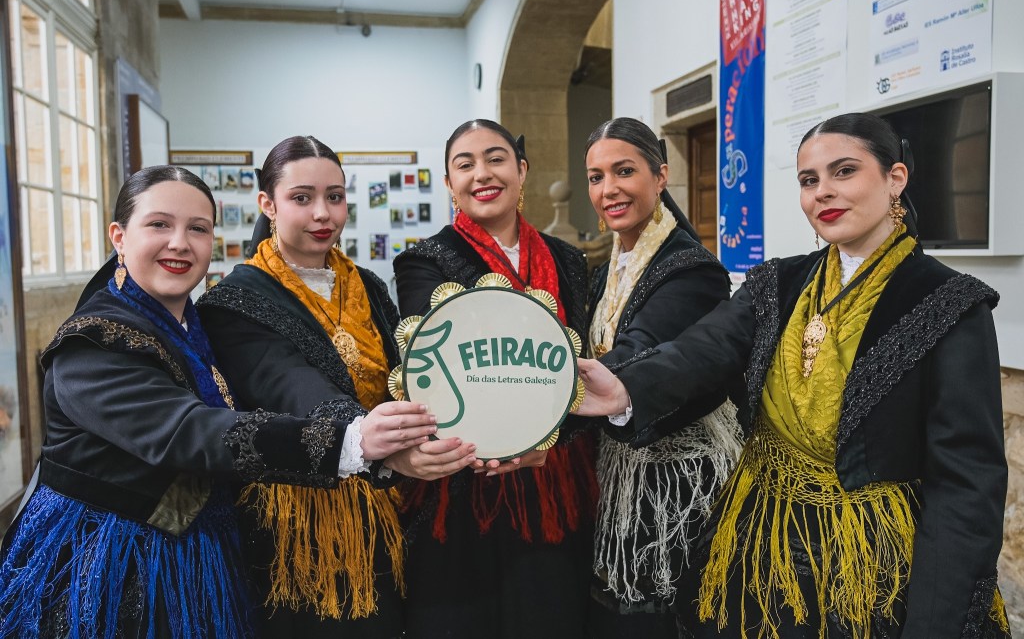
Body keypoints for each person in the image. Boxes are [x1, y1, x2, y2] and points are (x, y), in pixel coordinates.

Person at [575, 113, 1010, 637]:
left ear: (895, 178)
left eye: (843, 172)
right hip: (764, 538)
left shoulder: (948, 304)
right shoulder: (782, 281)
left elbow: (966, 481)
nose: (823, 192)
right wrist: (625, 386)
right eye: (809, 180)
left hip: (873, 562)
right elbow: (702, 348)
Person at [0, 166, 434, 638]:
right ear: (119, 237)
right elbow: (191, 431)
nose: (180, 243)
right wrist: (352, 441)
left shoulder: (195, 324)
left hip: (201, 552)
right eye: (159, 225)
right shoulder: (92, 345)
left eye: (198, 229)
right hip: (110, 568)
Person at [198, 136, 476, 638]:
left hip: (387, 501)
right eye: (301, 198)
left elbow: (408, 371)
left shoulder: (366, 283)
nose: (323, 213)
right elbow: (285, 382)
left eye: (335, 196)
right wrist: (370, 439)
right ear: (269, 204)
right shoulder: (236, 298)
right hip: (296, 523)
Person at [393, 119, 598, 638]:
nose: (481, 174)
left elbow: (579, 361)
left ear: (522, 170)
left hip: (556, 473)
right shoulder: (423, 261)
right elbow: (439, 366)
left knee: (551, 614)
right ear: (448, 182)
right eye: (465, 165)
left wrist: (550, 439)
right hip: (465, 478)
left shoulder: (567, 259)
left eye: (496, 159)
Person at [583, 118, 744, 637]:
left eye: (624, 171)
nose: (608, 189)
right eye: (596, 176)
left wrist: (536, 411)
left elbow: (634, 353)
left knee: (667, 618)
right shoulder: (610, 265)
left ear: (661, 175)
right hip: (624, 467)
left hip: (680, 482)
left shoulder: (691, 270)